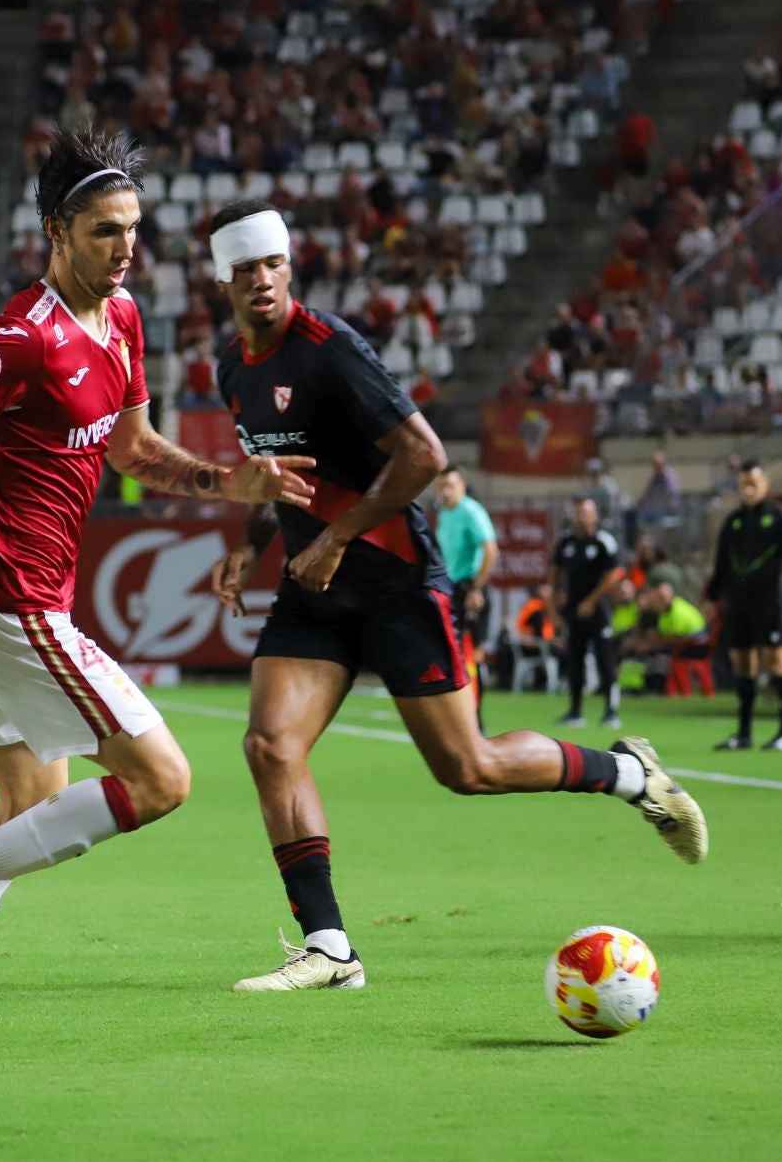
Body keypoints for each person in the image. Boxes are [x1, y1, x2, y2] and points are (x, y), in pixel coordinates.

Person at [0, 134, 314, 1043]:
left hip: (7, 598)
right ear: (56, 232)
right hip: (7, 598)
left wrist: (237, 483)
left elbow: (137, 452)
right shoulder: (23, 337)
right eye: (106, 232)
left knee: (32, 811)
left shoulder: (124, 319)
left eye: (134, 230)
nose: (125, 248)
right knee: (162, 781)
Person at [204, 198, 706, 994]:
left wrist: (336, 538)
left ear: (289, 266)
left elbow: (424, 457)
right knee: (270, 747)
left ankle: (628, 774)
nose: (259, 280)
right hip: (314, 592)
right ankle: (329, 947)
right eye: (243, 269)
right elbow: (282, 478)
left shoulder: (331, 350)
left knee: (468, 767)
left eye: (271, 264)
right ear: (221, 278)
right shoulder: (232, 369)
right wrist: (247, 546)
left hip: (396, 582)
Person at [704, 461, 782, 751]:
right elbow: (721, 566)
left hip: (768, 603)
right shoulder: (733, 522)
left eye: (753, 484)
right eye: (744, 484)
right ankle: (744, 733)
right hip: (737, 604)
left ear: (765, 486)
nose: (748, 490)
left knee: (776, 660)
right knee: (742, 664)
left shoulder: (777, 518)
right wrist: (712, 598)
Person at [552, 497, 626, 729]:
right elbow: (555, 571)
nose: (583, 517)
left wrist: (592, 601)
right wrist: (556, 596)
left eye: (587, 512)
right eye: (579, 513)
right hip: (573, 610)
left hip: (599, 610)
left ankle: (611, 711)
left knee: (606, 660)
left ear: (595, 516)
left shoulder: (604, 542)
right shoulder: (566, 542)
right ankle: (575, 711)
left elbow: (612, 576)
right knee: (574, 660)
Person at [433, 466, 498, 729]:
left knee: (474, 655)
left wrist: (477, 588)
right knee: (454, 655)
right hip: (452, 591)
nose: (446, 491)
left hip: (470, 590)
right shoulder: (444, 514)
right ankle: (461, 716)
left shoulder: (471, 511)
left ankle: (477, 720)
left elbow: (491, 550)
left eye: (450, 485)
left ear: (462, 486)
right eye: (442, 486)